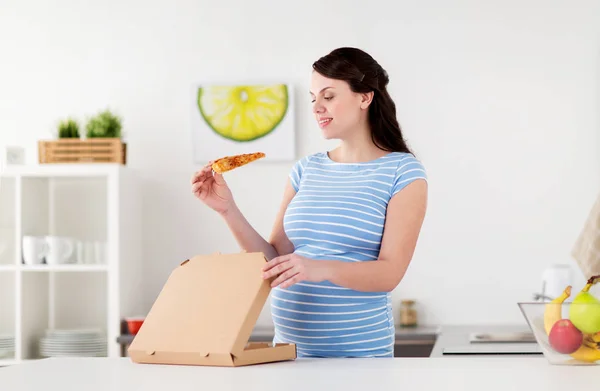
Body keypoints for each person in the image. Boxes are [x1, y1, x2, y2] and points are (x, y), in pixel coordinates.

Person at [191, 47, 428, 358]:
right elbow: (273, 260)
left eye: (328, 96)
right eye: (313, 98)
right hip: (289, 354)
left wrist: (320, 268)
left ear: (364, 97)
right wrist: (227, 209)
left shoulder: (402, 171)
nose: (317, 107)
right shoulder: (306, 169)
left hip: (359, 358)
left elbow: (389, 274)